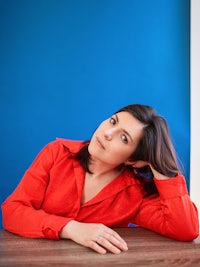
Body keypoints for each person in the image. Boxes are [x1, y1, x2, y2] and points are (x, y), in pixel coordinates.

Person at [1, 104, 199, 254]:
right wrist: (71, 229)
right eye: (113, 121)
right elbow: (12, 212)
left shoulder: (135, 195)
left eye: (124, 138)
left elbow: (186, 229)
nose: (107, 133)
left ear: (133, 160)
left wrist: (162, 168)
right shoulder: (56, 153)